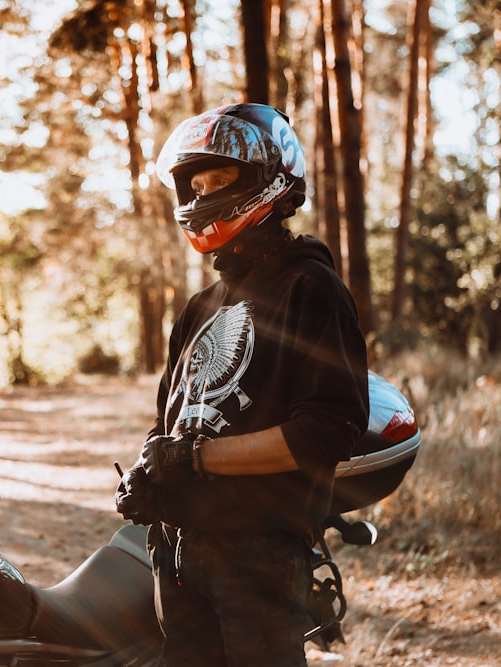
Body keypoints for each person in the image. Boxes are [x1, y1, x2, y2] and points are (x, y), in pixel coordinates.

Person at [115, 103, 369, 666]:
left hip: (259, 555)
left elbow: (327, 431)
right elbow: (172, 423)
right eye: (195, 183)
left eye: (221, 179)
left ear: (267, 179)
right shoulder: (198, 307)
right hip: (178, 554)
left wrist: (198, 461)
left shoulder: (311, 287)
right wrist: (149, 475)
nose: (204, 195)